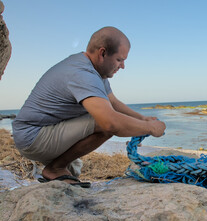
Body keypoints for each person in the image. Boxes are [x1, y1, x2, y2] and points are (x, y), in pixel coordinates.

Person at [12, 26, 166, 187]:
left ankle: (57, 169)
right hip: (33, 137)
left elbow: (113, 102)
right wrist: (150, 128)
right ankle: (55, 168)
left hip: (44, 132)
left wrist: (142, 118)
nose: (122, 66)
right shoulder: (83, 74)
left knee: (75, 170)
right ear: (102, 53)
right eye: (120, 60)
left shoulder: (94, 69)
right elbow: (110, 123)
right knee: (103, 123)